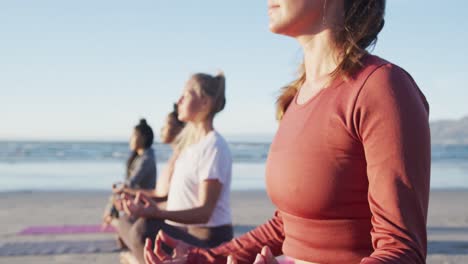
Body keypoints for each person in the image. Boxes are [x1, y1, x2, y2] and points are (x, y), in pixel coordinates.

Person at [144, 1, 430, 264]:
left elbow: (402, 250)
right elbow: (287, 225)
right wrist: (205, 259)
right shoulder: (296, 98)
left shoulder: (382, 88)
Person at [118, 72, 234, 264]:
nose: (179, 100)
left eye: (186, 95)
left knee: (143, 229)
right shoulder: (191, 147)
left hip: (209, 241)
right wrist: (143, 207)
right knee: (125, 221)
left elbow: (204, 212)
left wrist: (156, 213)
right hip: (182, 231)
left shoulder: (214, 146)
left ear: (205, 103)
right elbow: (177, 199)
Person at [102, 118, 156, 227]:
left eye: (133, 136)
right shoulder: (140, 158)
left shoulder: (146, 159)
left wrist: (110, 209)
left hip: (141, 202)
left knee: (116, 203)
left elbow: (130, 184)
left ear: (143, 138)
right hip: (136, 200)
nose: (130, 139)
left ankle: (112, 219)